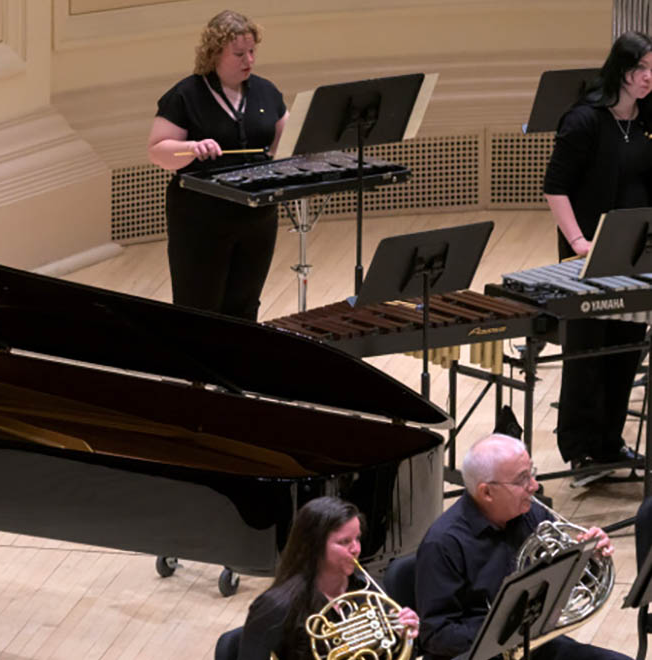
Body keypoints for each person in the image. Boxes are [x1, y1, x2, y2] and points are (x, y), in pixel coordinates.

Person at [543, 31, 652, 481]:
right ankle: (582, 449)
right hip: (588, 251)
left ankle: (610, 441)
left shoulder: (649, 116)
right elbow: (556, 187)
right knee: (588, 348)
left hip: (640, 248)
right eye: (642, 70)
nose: (649, 78)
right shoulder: (584, 120)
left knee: (627, 348)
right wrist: (578, 242)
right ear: (622, 72)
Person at [415, 434, 626, 660]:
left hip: (534, 646)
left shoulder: (533, 514)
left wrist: (588, 558)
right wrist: (501, 635)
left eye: (531, 473)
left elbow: (567, 585)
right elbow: (435, 634)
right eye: (522, 480)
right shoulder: (443, 544)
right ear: (486, 492)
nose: (534, 486)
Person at [147, 9, 289, 321]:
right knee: (199, 308)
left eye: (252, 51)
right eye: (239, 53)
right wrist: (191, 148)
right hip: (201, 219)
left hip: (257, 217)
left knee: (245, 304)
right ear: (214, 55)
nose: (248, 60)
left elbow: (288, 139)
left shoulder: (266, 91)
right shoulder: (185, 96)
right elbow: (157, 151)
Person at [238, 496, 419, 660]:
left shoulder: (367, 590)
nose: (356, 549)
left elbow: (396, 654)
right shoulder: (276, 607)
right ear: (314, 546)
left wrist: (401, 634)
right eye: (344, 542)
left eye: (357, 538)